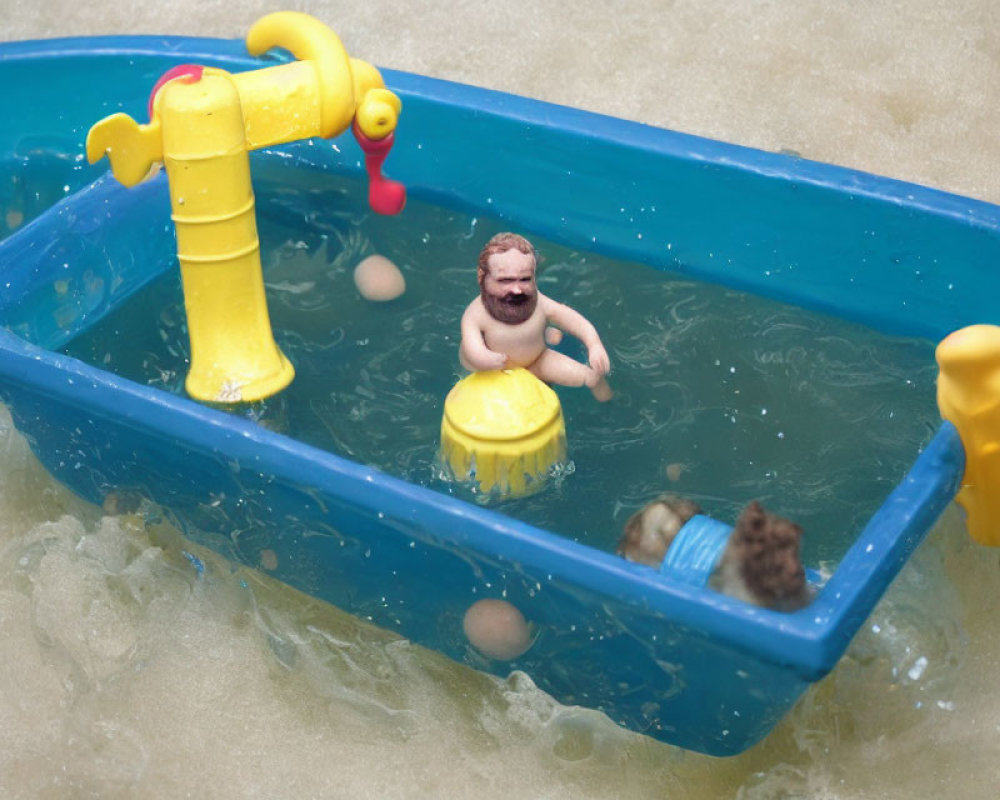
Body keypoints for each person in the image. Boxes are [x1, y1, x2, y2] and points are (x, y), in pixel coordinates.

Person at [459, 232, 613, 401]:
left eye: (524, 280)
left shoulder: (538, 302)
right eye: (505, 281)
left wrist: (594, 344)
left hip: (537, 361)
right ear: (482, 277)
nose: (516, 290)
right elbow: (471, 347)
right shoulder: (476, 313)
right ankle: (548, 332)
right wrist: (486, 359)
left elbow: (572, 319)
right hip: (489, 373)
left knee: (589, 376)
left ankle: (609, 403)